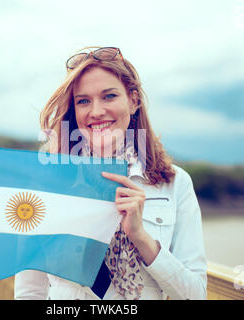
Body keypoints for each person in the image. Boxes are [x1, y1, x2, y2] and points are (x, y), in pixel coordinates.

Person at [14, 47, 207, 300]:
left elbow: (195, 295)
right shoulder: (48, 183)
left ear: (134, 101)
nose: (96, 111)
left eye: (109, 96)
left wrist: (140, 237)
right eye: (83, 100)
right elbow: (30, 291)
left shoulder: (175, 183)